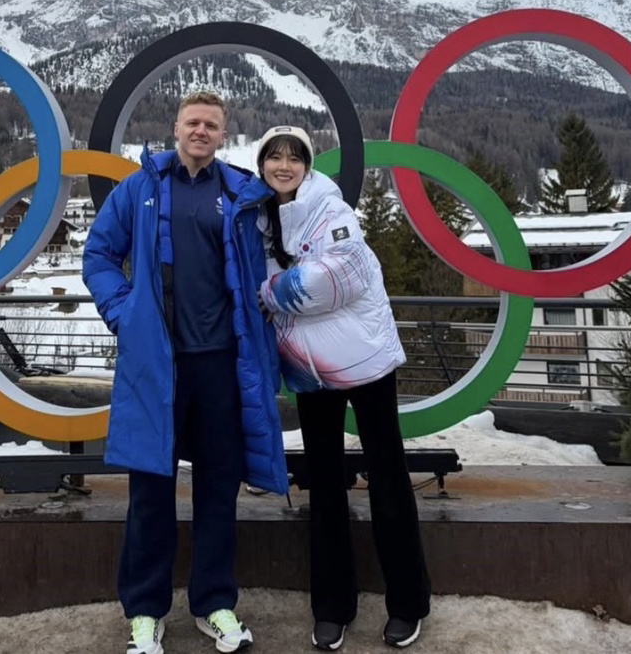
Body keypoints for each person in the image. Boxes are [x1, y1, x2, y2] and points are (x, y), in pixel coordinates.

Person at [83, 91, 289, 654]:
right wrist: (125, 313)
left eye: (212, 124)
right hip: (157, 366)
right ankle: (146, 613)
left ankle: (215, 603)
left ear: (224, 135)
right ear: (175, 128)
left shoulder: (240, 194)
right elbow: (98, 257)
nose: (201, 130)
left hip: (222, 364)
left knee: (219, 490)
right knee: (150, 489)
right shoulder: (141, 187)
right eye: (193, 122)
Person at [254, 125, 431, 651]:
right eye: (273, 156)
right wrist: (275, 291)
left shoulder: (332, 209)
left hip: (366, 362)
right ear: (262, 164)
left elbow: (339, 277)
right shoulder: (259, 220)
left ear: (308, 165)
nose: (283, 165)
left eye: (293, 157)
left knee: (389, 478)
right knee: (325, 485)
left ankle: (408, 602)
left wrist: (271, 291)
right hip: (310, 372)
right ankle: (332, 607)